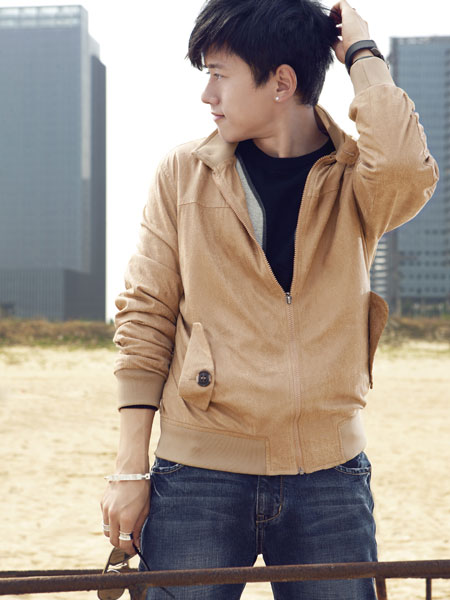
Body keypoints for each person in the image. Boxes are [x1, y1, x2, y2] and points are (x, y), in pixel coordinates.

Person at [101, 0, 438, 598]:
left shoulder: (356, 180)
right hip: (197, 476)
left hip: (330, 478)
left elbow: (407, 169)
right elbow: (146, 315)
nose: (207, 95)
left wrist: (362, 54)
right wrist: (131, 469)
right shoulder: (182, 174)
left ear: (282, 82)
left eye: (219, 74)